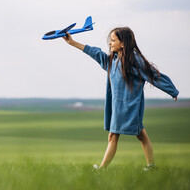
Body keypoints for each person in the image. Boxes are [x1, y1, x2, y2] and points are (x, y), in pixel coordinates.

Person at [62, 27, 179, 171]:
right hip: (117, 106)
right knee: (124, 136)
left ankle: (105, 168)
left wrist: (172, 91)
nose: (110, 44)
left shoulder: (134, 61)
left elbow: (153, 75)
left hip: (131, 106)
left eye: (113, 40)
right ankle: (149, 166)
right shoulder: (112, 61)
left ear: (123, 43)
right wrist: (72, 43)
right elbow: (95, 52)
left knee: (132, 136)